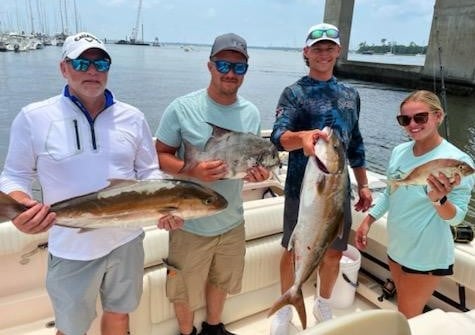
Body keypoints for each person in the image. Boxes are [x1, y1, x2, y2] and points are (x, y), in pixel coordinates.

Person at [0, 32, 176, 335]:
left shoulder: (132, 117)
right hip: (71, 247)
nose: (92, 70)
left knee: (120, 315)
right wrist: (21, 208)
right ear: (63, 68)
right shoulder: (34, 117)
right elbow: (15, 175)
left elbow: (149, 172)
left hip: (126, 241)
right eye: (81, 62)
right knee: (71, 329)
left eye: (101, 62)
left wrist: (166, 206)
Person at [155, 33, 271, 335]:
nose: (230, 73)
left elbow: (250, 158)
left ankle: (214, 328)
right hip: (189, 224)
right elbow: (160, 156)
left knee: (222, 280)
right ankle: (186, 332)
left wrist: (259, 174)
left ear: (246, 71)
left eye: (239, 67)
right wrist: (193, 171)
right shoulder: (182, 108)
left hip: (232, 219)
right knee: (183, 288)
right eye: (223, 64)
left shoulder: (251, 112)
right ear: (210, 66)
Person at [269, 23, 373, 334]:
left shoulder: (350, 94)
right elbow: (278, 137)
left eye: (330, 47)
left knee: (335, 253)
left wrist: (364, 183)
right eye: (317, 48)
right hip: (303, 190)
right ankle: (286, 307)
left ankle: (322, 302)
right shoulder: (294, 93)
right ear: (306, 52)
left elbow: (355, 142)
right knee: (292, 249)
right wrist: (300, 137)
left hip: (338, 187)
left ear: (339, 51)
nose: (323, 53)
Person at [354, 90, 475, 318]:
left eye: (420, 117)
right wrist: (368, 220)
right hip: (397, 246)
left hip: (426, 254)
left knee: (406, 315)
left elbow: (457, 217)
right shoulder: (400, 151)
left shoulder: (459, 163)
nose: (412, 125)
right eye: (405, 119)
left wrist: (439, 199)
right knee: (404, 308)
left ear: (438, 116)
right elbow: (392, 192)